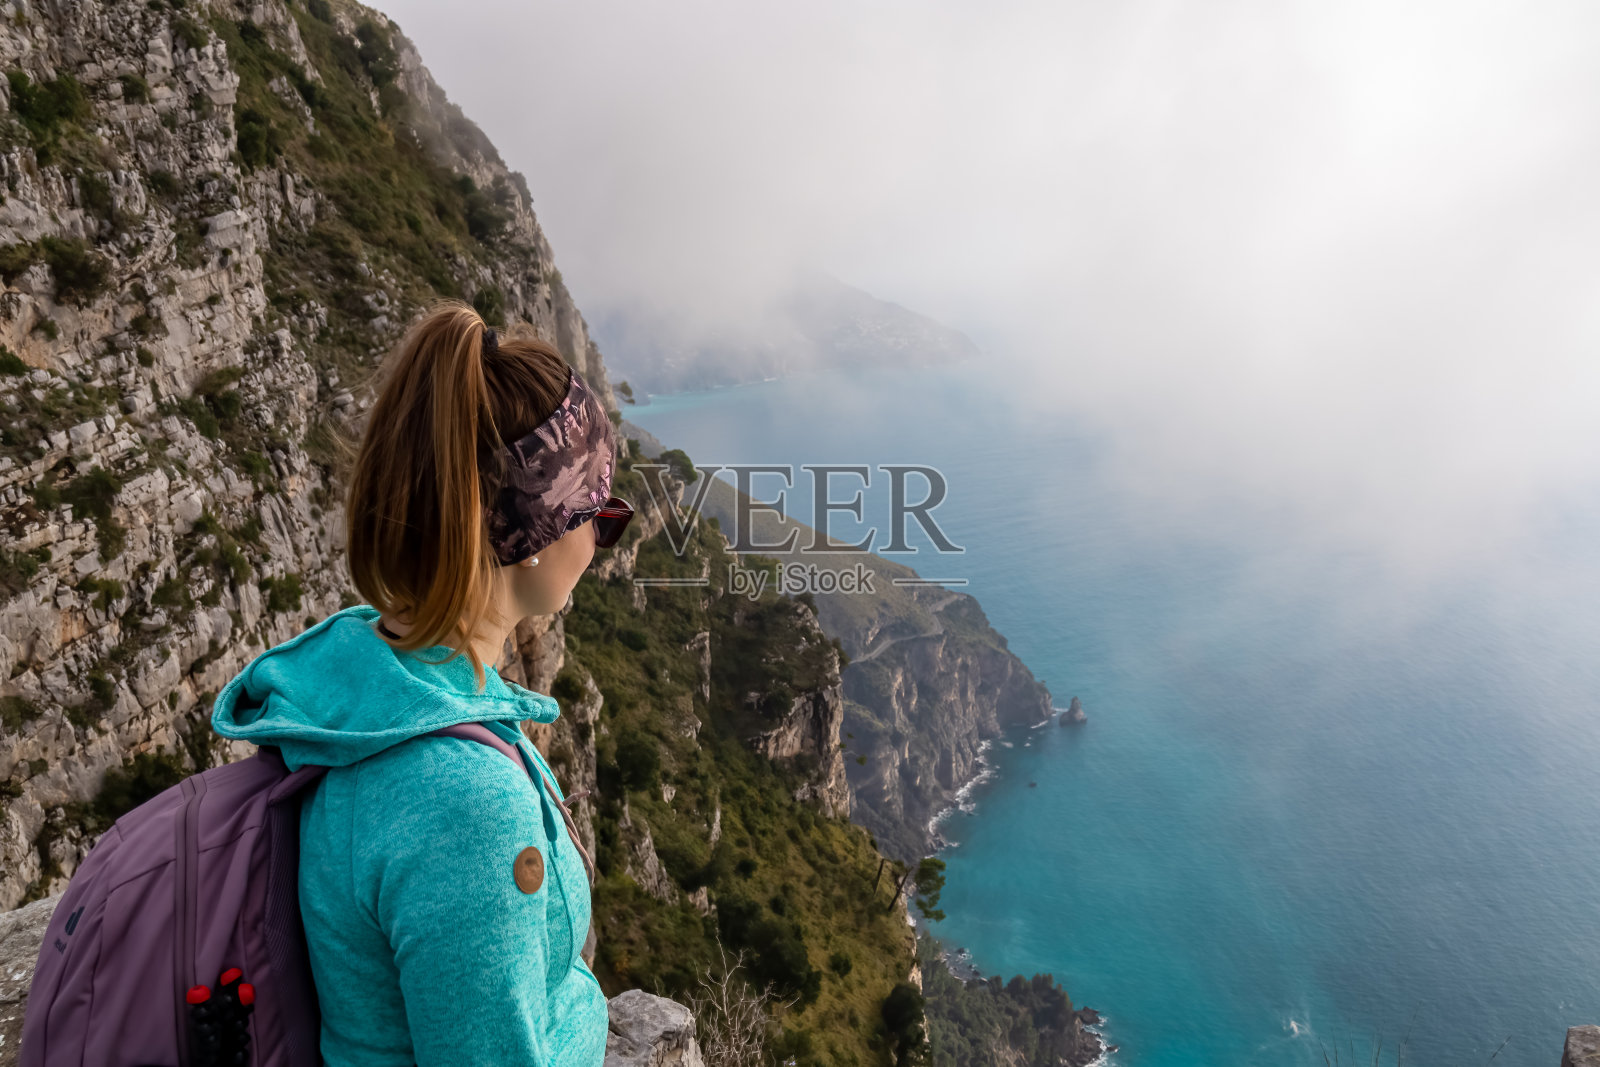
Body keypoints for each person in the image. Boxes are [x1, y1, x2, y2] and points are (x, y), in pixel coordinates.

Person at [211, 300, 633, 1066]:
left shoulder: (369, 671)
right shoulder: (469, 810)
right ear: (535, 532)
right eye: (599, 512)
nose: (609, 535)